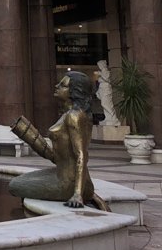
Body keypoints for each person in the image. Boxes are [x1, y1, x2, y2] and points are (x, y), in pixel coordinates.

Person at [9, 72, 108, 209]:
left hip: (69, 183)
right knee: (19, 181)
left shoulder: (74, 117)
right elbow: (57, 158)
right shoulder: (68, 115)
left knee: (15, 185)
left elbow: (81, 155)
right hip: (62, 173)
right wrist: (29, 136)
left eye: (63, 85)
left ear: (74, 92)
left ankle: (85, 192)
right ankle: (87, 192)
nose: (57, 86)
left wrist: (77, 194)